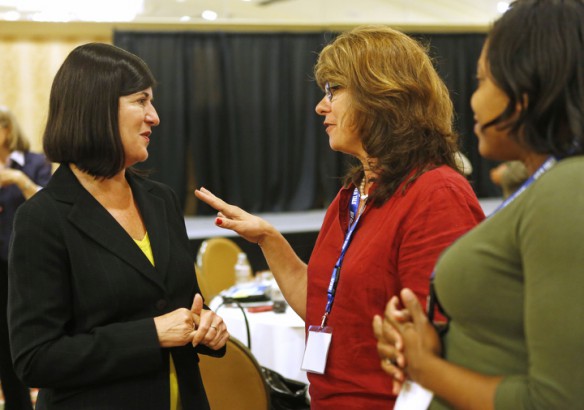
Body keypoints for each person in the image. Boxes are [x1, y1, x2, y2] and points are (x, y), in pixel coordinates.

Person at [195, 26, 485, 409]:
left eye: (334, 90)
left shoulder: (436, 195)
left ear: (381, 94)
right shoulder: (353, 195)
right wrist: (268, 238)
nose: (321, 105)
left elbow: (442, 346)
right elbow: (321, 306)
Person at [373, 1, 584, 408]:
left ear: (527, 89)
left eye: (483, 79)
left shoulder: (568, 187)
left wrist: (426, 368)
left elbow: (558, 401)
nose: (471, 99)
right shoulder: (548, 184)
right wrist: (437, 343)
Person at [8, 43, 229, 410]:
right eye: (141, 100)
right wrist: (151, 335)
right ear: (97, 108)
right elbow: (36, 359)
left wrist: (208, 327)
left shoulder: (161, 199)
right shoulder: (43, 218)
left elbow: (184, 306)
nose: (154, 116)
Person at [0, 106, 51, 409]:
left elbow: (51, 204)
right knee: (3, 347)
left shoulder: (33, 163)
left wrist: (18, 180)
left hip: (30, 266)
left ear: (6, 129)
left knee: (35, 338)